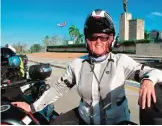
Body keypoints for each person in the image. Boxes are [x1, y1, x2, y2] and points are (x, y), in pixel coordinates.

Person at [12, 9, 162, 125]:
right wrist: (32, 108)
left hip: (117, 122)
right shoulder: (77, 65)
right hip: (84, 118)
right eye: (92, 36)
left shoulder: (121, 62)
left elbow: (155, 72)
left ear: (111, 40)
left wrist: (148, 80)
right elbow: (58, 89)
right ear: (86, 40)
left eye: (103, 37)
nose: (98, 41)